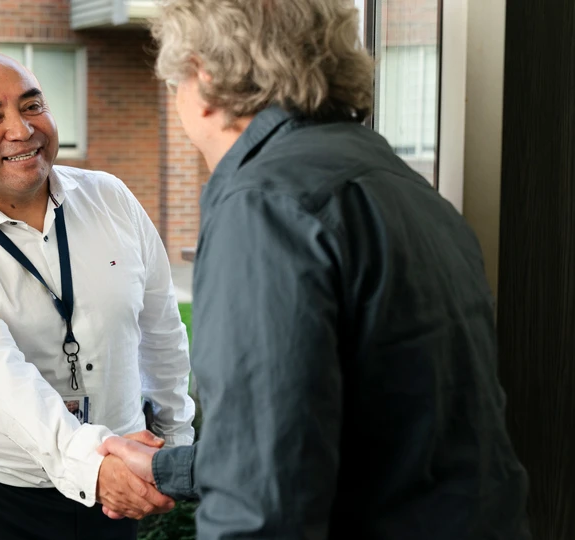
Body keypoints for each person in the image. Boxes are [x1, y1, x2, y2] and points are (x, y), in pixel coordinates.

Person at [99, 0, 533, 538]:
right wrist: (171, 469)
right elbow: (356, 424)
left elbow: (263, 504)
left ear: (204, 75)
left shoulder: (264, 205)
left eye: (174, 81)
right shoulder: (398, 182)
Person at [0, 51, 195, 539]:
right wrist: (98, 470)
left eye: (32, 105)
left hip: (118, 489)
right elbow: (1, 383)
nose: (21, 129)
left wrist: (174, 442)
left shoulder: (112, 198)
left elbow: (161, 329)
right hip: (3, 502)